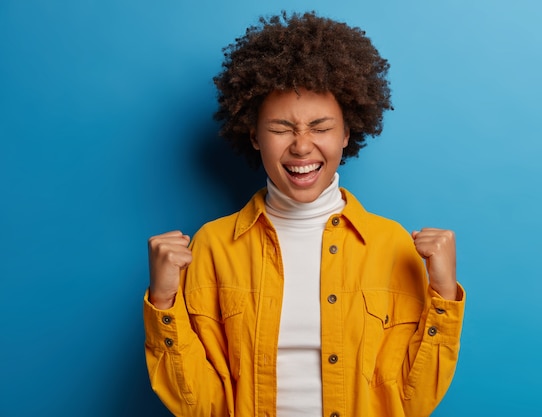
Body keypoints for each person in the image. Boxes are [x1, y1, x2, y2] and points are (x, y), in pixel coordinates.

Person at [144, 11, 465, 417]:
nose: (301, 146)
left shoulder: (394, 246)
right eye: (280, 128)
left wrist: (445, 295)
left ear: (347, 133)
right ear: (254, 136)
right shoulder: (210, 246)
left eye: (320, 127)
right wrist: (163, 300)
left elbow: (410, 402)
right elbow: (200, 405)